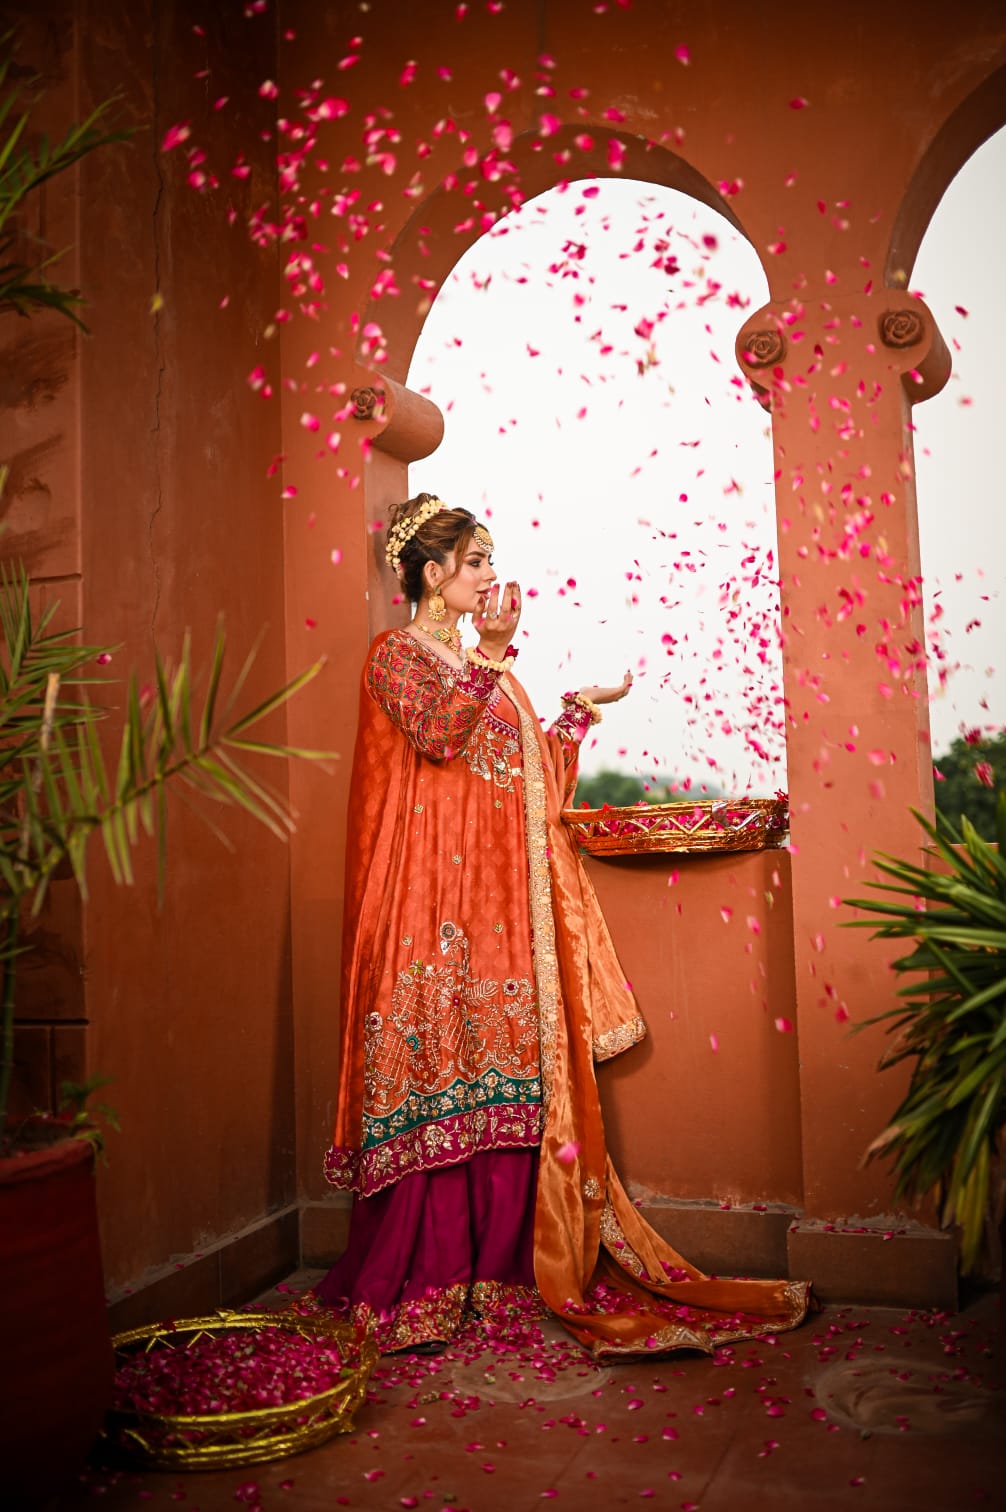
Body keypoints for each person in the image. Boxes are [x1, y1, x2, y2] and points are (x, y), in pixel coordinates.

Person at [314, 493, 810, 1360]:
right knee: (437, 1067)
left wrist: (574, 711)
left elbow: (528, 774)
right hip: (427, 907)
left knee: (509, 1083)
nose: (489, 576)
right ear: (432, 575)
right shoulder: (394, 658)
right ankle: (423, 1281)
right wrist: (494, 659)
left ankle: (501, 1271)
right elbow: (437, 736)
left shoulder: (489, 671)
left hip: (499, 908)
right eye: (474, 562)